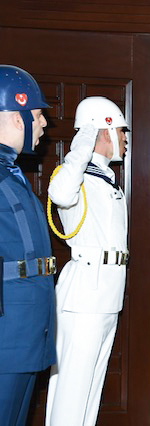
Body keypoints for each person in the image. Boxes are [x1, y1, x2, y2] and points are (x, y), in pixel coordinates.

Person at [46, 96, 130, 426]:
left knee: (92, 386)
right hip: (84, 296)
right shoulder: (75, 175)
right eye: (121, 130)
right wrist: (81, 147)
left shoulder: (106, 179)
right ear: (104, 131)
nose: (125, 138)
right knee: (73, 386)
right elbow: (60, 194)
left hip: (107, 293)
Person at [0, 65, 55, 426]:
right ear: (15, 115)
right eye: (37, 114)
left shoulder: (11, 172)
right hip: (7, 336)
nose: (44, 123)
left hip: (23, 332)